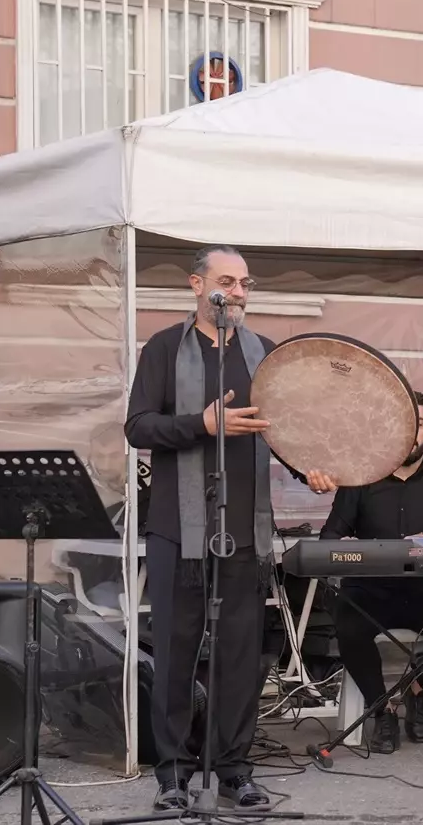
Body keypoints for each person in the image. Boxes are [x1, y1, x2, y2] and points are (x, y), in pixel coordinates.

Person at [125, 245, 328, 812]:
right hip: (175, 529)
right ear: (196, 285)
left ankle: (235, 767)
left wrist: (305, 467)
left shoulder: (262, 354)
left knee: (240, 655)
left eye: (244, 283)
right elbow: (138, 426)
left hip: (244, 530)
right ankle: (172, 772)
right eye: (226, 282)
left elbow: (279, 430)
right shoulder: (165, 348)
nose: (238, 292)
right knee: (174, 652)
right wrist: (202, 423)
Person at [312, 392, 423, 752]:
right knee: (348, 626)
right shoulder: (360, 478)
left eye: (417, 424)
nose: (410, 433)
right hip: (368, 593)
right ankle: (382, 708)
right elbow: (329, 539)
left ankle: (419, 690)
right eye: (403, 425)